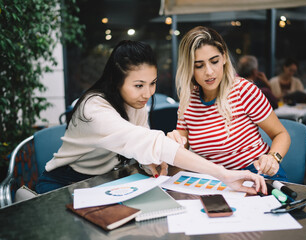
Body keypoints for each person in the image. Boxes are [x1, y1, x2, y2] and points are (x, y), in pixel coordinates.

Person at [35, 40, 266, 195]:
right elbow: (147, 141)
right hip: (64, 185)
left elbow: (141, 150)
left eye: (152, 83)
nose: (147, 93)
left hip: (108, 183)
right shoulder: (93, 109)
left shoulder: (136, 104)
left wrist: (153, 163)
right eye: (138, 85)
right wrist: (223, 174)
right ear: (116, 81)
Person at [167, 26, 291, 181]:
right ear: (190, 68)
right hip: (216, 181)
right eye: (199, 65)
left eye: (214, 61)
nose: (209, 72)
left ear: (224, 58)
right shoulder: (188, 101)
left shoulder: (244, 91)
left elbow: (281, 134)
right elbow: (180, 154)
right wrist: (170, 146)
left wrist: (273, 158)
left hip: (257, 173)